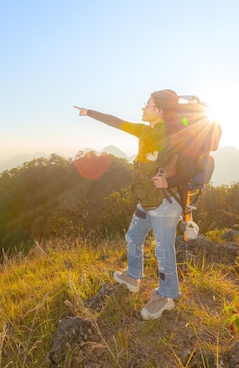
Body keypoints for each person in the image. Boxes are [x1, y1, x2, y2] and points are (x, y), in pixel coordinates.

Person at [74, 89, 186, 320]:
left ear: (160, 110)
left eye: (148, 104)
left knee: (164, 250)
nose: (144, 107)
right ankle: (133, 276)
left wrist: (170, 180)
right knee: (134, 236)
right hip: (147, 199)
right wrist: (89, 112)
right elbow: (118, 123)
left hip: (165, 203)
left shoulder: (174, 135)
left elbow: (191, 168)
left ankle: (167, 297)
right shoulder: (145, 130)